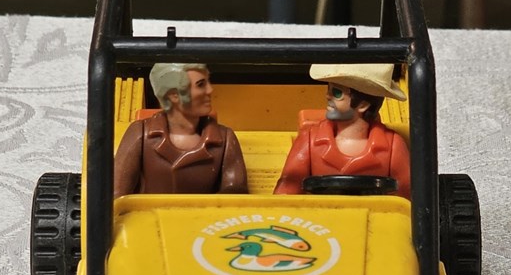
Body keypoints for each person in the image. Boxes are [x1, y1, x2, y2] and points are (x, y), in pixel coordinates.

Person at [273, 64, 411, 197]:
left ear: (362, 105)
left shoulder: (392, 145)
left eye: (337, 93)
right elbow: (287, 189)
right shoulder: (310, 140)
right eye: (329, 90)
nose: (328, 96)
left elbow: (407, 194)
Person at [114, 63, 248, 197]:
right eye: (201, 84)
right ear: (174, 95)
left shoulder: (224, 139)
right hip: (148, 210)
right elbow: (116, 192)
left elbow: (235, 194)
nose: (210, 90)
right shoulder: (141, 134)